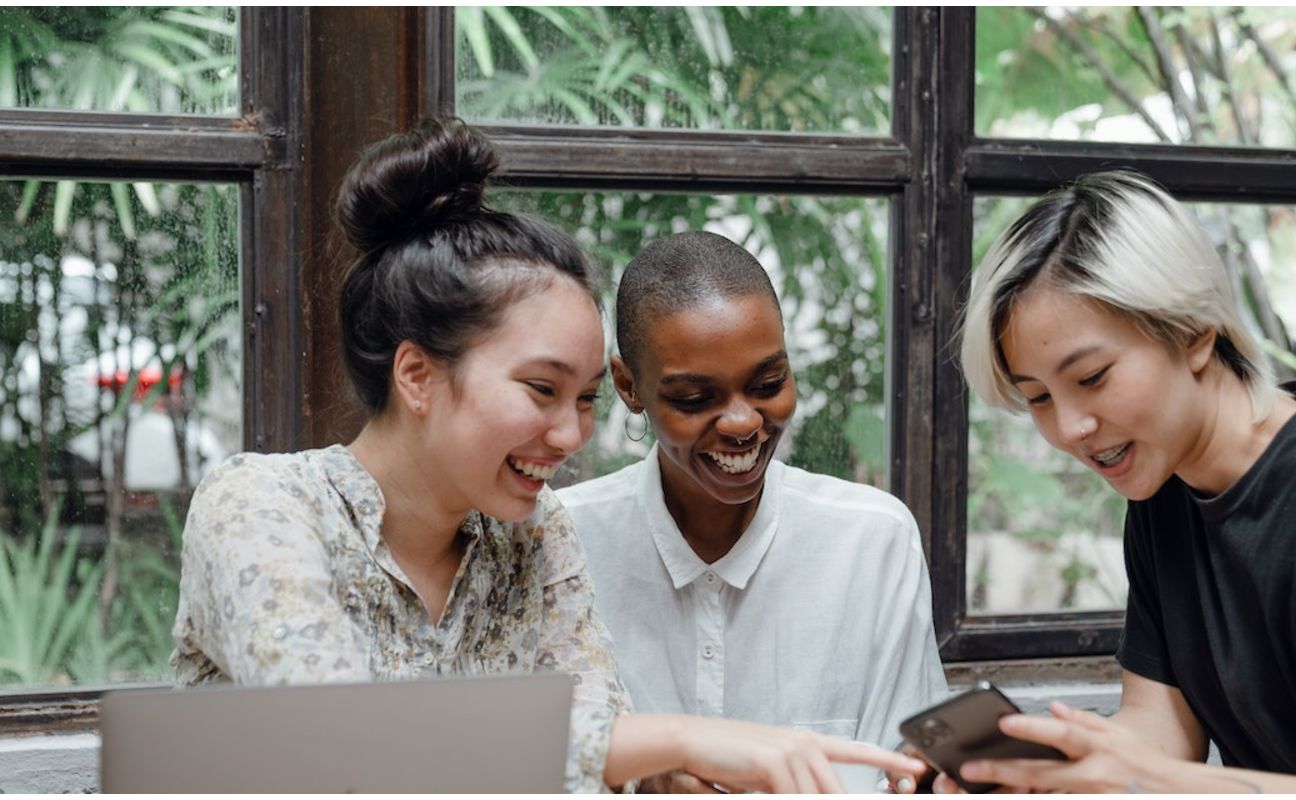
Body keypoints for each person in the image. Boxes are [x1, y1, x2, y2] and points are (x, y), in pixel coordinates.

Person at [168, 118, 923, 794]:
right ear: (417, 375)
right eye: (542, 390)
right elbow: (338, 744)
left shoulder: (532, 534)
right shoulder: (262, 506)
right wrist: (684, 736)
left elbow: (599, 753)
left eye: (587, 399)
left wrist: (658, 772)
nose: (571, 436)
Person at [950, 170, 1296, 793]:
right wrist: (1030, 768)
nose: (1072, 427)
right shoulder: (1164, 491)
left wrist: (1175, 784)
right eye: (1039, 397)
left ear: (1192, 332)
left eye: (1093, 376)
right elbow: (1162, 730)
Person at [557, 231, 949, 793]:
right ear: (627, 385)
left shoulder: (871, 540)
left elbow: (904, 774)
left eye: (769, 383)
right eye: (695, 399)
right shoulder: (563, 544)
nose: (743, 424)